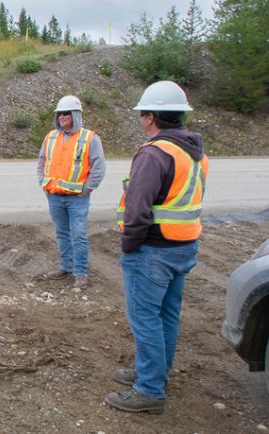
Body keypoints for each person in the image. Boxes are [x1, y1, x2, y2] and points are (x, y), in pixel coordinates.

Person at [107, 81, 208, 414]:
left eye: (141, 114)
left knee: (144, 318)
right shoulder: (195, 152)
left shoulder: (155, 153)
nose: (140, 119)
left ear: (151, 117)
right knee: (166, 315)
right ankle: (153, 373)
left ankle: (149, 389)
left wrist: (129, 245)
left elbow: (138, 207)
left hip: (152, 250)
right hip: (184, 245)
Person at [37, 95, 106, 289]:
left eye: (66, 113)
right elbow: (42, 161)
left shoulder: (90, 138)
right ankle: (65, 266)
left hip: (77, 198)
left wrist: (87, 189)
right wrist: (43, 182)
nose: (62, 117)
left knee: (79, 235)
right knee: (62, 233)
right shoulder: (51, 137)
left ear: (76, 115)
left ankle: (81, 273)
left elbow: (99, 167)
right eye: (60, 114)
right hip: (54, 196)